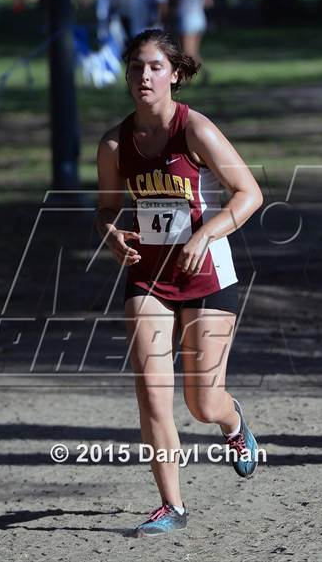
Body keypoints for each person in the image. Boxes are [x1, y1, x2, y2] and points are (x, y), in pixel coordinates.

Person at [96, 29, 263, 538]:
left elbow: (249, 193)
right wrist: (110, 233)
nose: (142, 76)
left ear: (174, 74)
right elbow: (107, 207)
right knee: (151, 393)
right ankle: (172, 505)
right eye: (134, 68)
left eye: (153, 67)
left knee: (201, 402)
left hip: (206, 273)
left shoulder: (195, 131)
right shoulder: (114, 143)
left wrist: (205, 233)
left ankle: (233, 422)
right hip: (147, 277)